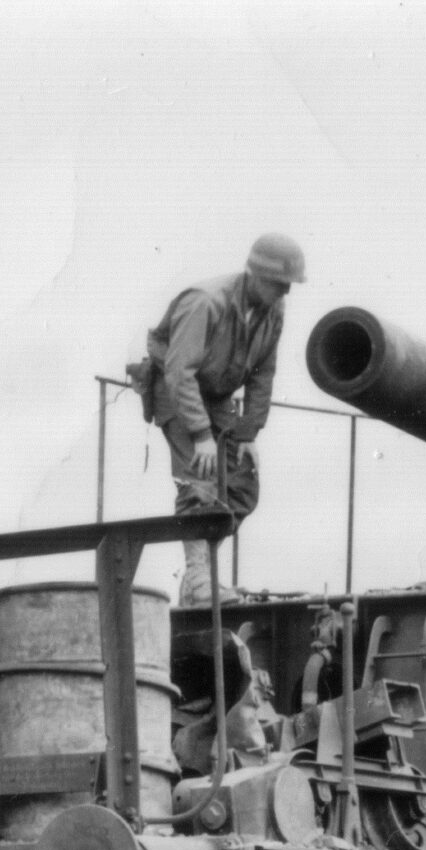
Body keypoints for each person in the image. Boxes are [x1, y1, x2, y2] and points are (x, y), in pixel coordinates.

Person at [134, 233, 305, 605]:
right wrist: (200, 434)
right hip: (176, 388)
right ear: (255, 275)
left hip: (217, 395)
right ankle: (198, 582)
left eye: (288, 286)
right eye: (279, 284)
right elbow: (180, 372)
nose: (285, 293)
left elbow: (263, 373)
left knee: (242, 483)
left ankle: (204, 576)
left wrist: (248, 433)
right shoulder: (206, 302)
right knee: (200, 480)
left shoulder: (272, 312)